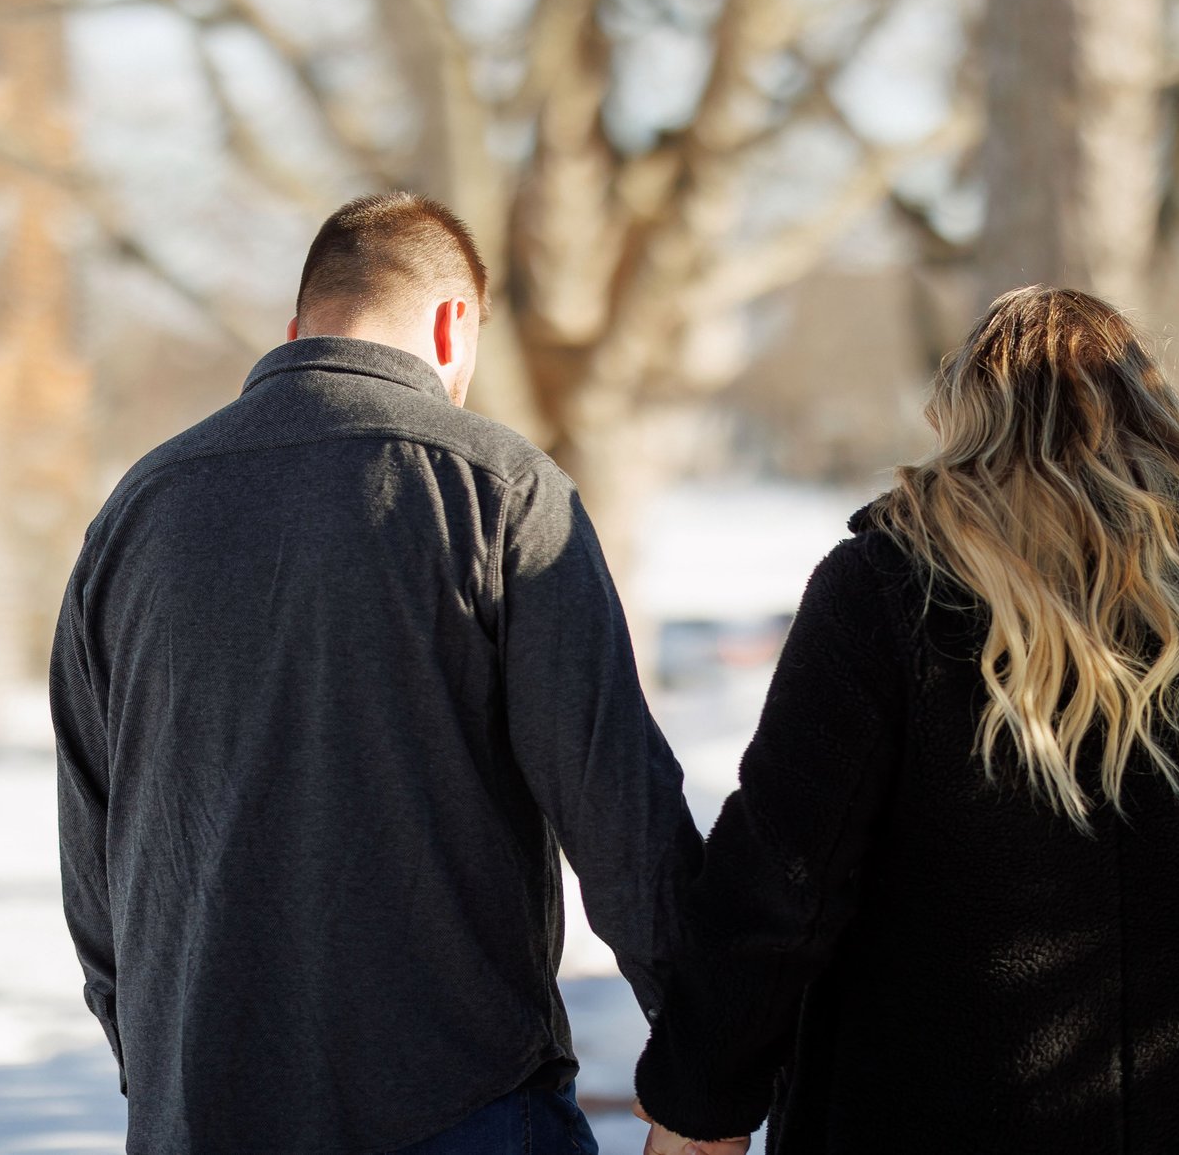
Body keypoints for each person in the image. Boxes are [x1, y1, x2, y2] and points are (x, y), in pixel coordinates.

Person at [633, 286, 1179, 1155]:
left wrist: (701, 1102)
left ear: (964, 422)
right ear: (1153, 417)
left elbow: (783, 878)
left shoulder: (887, 600)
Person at [53, 192, 701, 1155]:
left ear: (297, 331)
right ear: (453, 326)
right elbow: (617, 811)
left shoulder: (134, 513)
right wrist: (706, 1066)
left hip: (201, 1107)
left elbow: (93, 848)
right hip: (460, 1103)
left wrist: (156, 1065)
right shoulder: (499, 488)